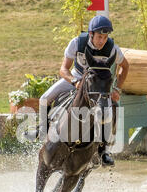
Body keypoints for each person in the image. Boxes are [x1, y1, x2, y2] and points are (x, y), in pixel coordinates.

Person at [32, 15, 129, 166]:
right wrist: (74, 81)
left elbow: (125, 66)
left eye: (105, 37)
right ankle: (41, 130)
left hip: (98, 86)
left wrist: (117, 88)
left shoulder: (113, 49)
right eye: (99, 36)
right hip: (76, 78)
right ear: (91, 34)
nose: (102, 41)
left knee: (110, 111)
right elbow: (63, 69)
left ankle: (104, 151)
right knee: (44, 98)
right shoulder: (77, 43)